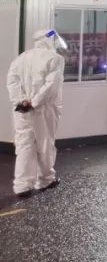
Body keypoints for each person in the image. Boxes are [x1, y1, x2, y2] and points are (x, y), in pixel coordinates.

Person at [7, 28, 65, 197]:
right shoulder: (55, 59)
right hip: (44, 109)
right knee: (45, 144)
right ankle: (45, 179)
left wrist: (21, 101)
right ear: (51, 41)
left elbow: (12, 81)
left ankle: (22, 186)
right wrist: (35, 102)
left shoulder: (21, 58)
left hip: (22, 110)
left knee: (24, 145)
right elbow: (51, 85)